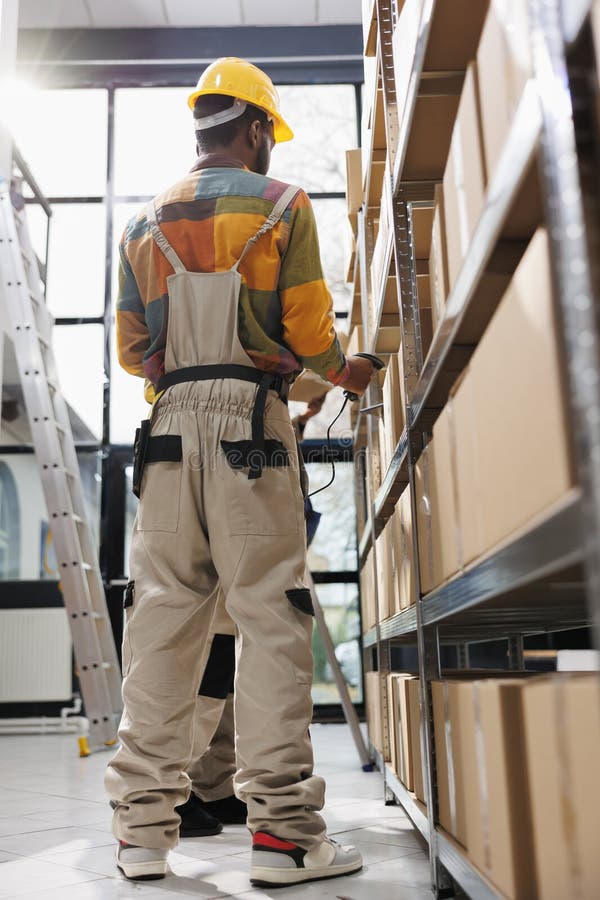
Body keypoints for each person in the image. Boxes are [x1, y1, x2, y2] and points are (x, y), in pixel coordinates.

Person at [105, 56, 375, 887]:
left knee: (162, 623)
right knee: (269, 620)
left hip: (167, 433)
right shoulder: (284, 203)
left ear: (202, 125)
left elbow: (129, 353)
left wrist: (199, 377)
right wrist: (343, 373)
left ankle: (142, 836)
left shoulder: (143, 222)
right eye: (269, 134)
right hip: (250, 432)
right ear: (256, 128)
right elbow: (310, 332)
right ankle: (286, 837)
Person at [176, 394, 327, 839]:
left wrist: (300, 415)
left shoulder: (270, 415)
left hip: (246, 501)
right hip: (225, 501)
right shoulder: (217, 396)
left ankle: (213, 786)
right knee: (210, 669)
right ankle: (175, 788)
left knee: (226, 685)